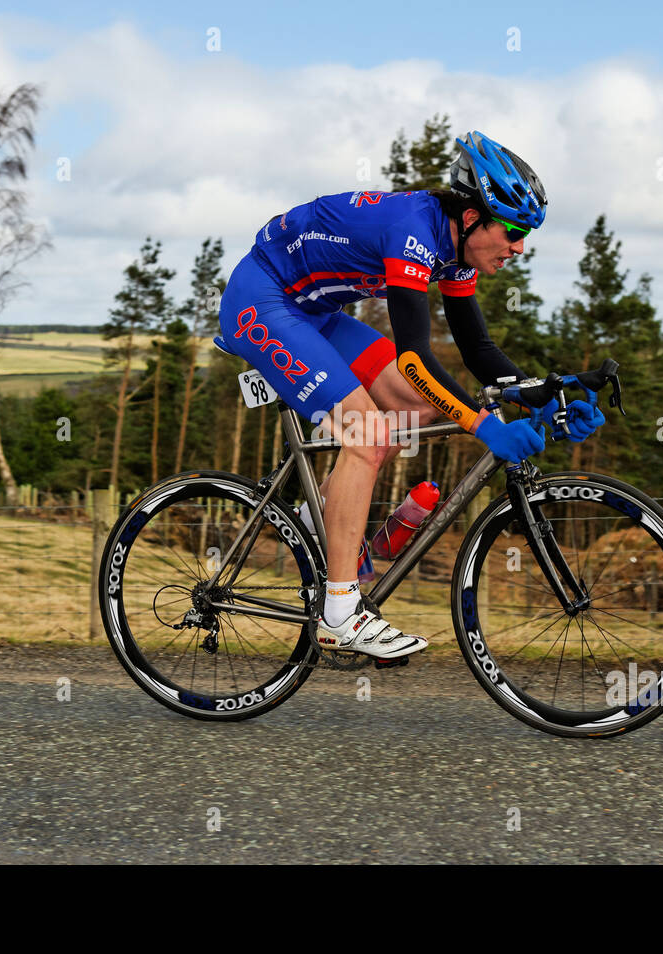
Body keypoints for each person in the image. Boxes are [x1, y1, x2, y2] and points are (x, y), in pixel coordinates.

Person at [218, 131, 604, 659]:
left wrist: (545, 391)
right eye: (513, 231)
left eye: (526, 234)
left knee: (418, 406)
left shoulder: (456, 250)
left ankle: (321, 515)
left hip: (315, 313)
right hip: (261, 301)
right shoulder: (413, 233)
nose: (518, 248)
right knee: (368, 434)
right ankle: (338, 613)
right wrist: (484, 426)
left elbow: (478, 349)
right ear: (472, 218)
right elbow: (415, 358)